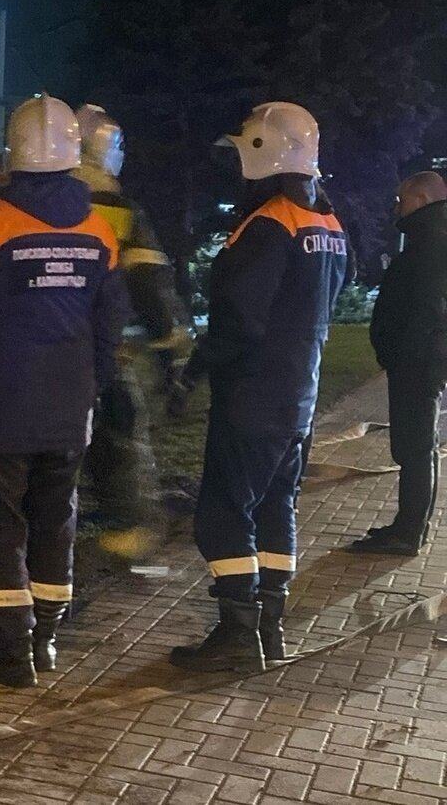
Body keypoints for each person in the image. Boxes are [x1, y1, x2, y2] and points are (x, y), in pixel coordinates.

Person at [0, 95, 127, 687]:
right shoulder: (97, 229)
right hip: (69, 410)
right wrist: (95, 388)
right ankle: (46, 640)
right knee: (56, 516)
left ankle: (8, 650)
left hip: (0, 408)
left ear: (12, 155)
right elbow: (110, 326)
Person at [170, 103, 348, 671]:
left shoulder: (269, 223)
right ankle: (269, 627)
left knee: (223, 513)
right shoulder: (327, 222)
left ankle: (237, 635)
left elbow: (238, 319)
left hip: (253, 395)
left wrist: (196, 370)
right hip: (299, 395)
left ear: (258, 154)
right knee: (276, 507)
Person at [72, 105, 191, 540]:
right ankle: (127, 523)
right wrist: (168, 356)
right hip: (108, 347)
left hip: (46, 345)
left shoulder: (38, 203)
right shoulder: (121, 210)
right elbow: (150, 285)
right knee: (119, 429)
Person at [350, 171, 447, 556]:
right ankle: (408, 527)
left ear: (421, 199)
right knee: (414, 447)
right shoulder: (430, 235)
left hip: (418, 362)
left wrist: (405, 352)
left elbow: (427, 306)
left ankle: (408, 533)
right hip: (420, 358)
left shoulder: (432, 241)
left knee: (416, 447)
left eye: (402, 199)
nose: (396, 206)